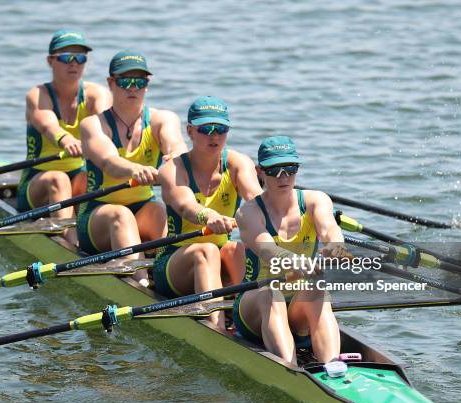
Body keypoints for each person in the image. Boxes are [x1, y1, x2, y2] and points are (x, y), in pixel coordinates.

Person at [234, 136, 347, 365]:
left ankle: (334, 368)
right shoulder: (248, 213)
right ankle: (291, 370)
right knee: (271, 293)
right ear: (260, 172)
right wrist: (296, 262)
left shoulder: (316, 200)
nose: (283, 177)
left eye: (290, 168)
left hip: (296, 309)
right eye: (275, 170)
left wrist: (335, 246)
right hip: (254, 307)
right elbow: (268, 251)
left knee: (317, 288)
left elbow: (329, 230)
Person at [77, 51, 187, 285]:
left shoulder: (162, 119)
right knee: (121, 214)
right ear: (110, 83)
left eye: (140, 82)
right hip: (98, 215)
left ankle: (168, 279)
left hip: (143, 209)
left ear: (147, 85)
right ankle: (140, 284)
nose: (133, 88)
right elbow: (109, 161)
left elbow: (176, 146)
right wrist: (134, 170)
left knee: (159, 210)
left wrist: (175, 158)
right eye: (125, 81)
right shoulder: (93, 124)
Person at [153, 96, 262, 328]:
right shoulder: (173, 169)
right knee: (207, 250)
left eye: (220, 129)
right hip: (174, 264)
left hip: (218, 256)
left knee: (237, 248)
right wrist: (209, 216)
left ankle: (253, 320)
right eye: (206, 129)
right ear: (190, 131)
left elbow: (256, 200)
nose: (214, 135)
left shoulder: (238, 163)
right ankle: (217, 328)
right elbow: (186, 206)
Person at [17, 29, 112, 245]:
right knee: (58, 179)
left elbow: (105, 127)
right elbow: (48, 125)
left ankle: (98, 240)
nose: (74, 64)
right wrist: (66, 140)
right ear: (50, 61)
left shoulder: (96, 95)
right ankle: (69, 247)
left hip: (77, 175)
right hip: (37, 182)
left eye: (80, 58)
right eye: (66, 57)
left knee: (94, 180)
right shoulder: (38, 95)